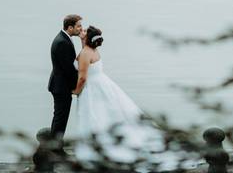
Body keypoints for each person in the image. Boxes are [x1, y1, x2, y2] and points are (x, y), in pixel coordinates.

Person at [73, 25, 189, 167]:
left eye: (84, 31)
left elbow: (83, 78)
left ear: (88, 38)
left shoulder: (85, 53)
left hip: (92, 88)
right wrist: (82, 38)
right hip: (102, 84)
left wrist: (76, 91)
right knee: (105, 114)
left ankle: (97, 148)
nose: (81, 30)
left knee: (94, 115)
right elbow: (85, 52)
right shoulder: (92, 50)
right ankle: (103, 143)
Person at [47, 14, 83, 144]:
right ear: (70, 27)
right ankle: (55, 150)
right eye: (78, 26)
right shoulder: (62, 42)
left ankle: (54, 147)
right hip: (61, 87)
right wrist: (77, 87)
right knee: (60, 120)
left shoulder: (64, 38)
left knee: (59, 119)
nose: (80, 29)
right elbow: (69, 70)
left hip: (60, 84)